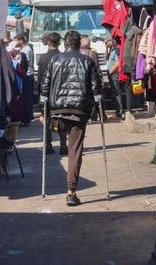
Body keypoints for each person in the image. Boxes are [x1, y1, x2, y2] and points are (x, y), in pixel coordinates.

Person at [40, 30, 102, 206]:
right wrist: (98, 110)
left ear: (65, 44)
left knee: (60, 135)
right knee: (75, 151)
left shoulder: (53, 60)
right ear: (77, 44)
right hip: (79, 111)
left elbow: (44, 88)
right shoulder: (88, 61)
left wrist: (43, 113)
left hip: (57, 110)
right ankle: (71, 191)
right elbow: (96, 89)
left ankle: (62, 188)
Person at [37, 32, 66, 155]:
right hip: (61, 93)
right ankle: (63, 146)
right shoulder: (64, 57)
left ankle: (48, 145)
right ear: (59, 43)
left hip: (47, 93)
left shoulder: (43, 58)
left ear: (48, 42)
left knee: (47, 119)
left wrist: (41, 95)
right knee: (62, 118)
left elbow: (40, 79)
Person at [14, 34, 35, 126]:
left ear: (21, 40)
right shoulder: (24, 50)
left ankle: (29, 115)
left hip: (27, 75)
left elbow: (23, 64)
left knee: (28, 97)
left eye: (17, 41)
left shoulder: (26, 50)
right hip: (26, 75)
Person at [79, 36, 101, 122]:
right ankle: (93, 115)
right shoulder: (92, 53)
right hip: (90, 79)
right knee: (93, 96)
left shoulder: (77, 52)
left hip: (80, 79)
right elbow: (97, 68)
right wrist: (100, 79)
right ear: (88, 44)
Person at [105, 38, 124, 122]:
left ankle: (119, 114)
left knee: (116, 93)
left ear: (111, 41)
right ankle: (117, 112)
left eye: (107, 42)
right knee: (114, 93)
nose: (106, 43)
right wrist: (106, 48)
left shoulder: (116, 51)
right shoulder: (111, 50)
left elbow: (117, 63)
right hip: (111, 74)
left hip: (114, 74)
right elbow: (106, 58)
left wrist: (110, 72)